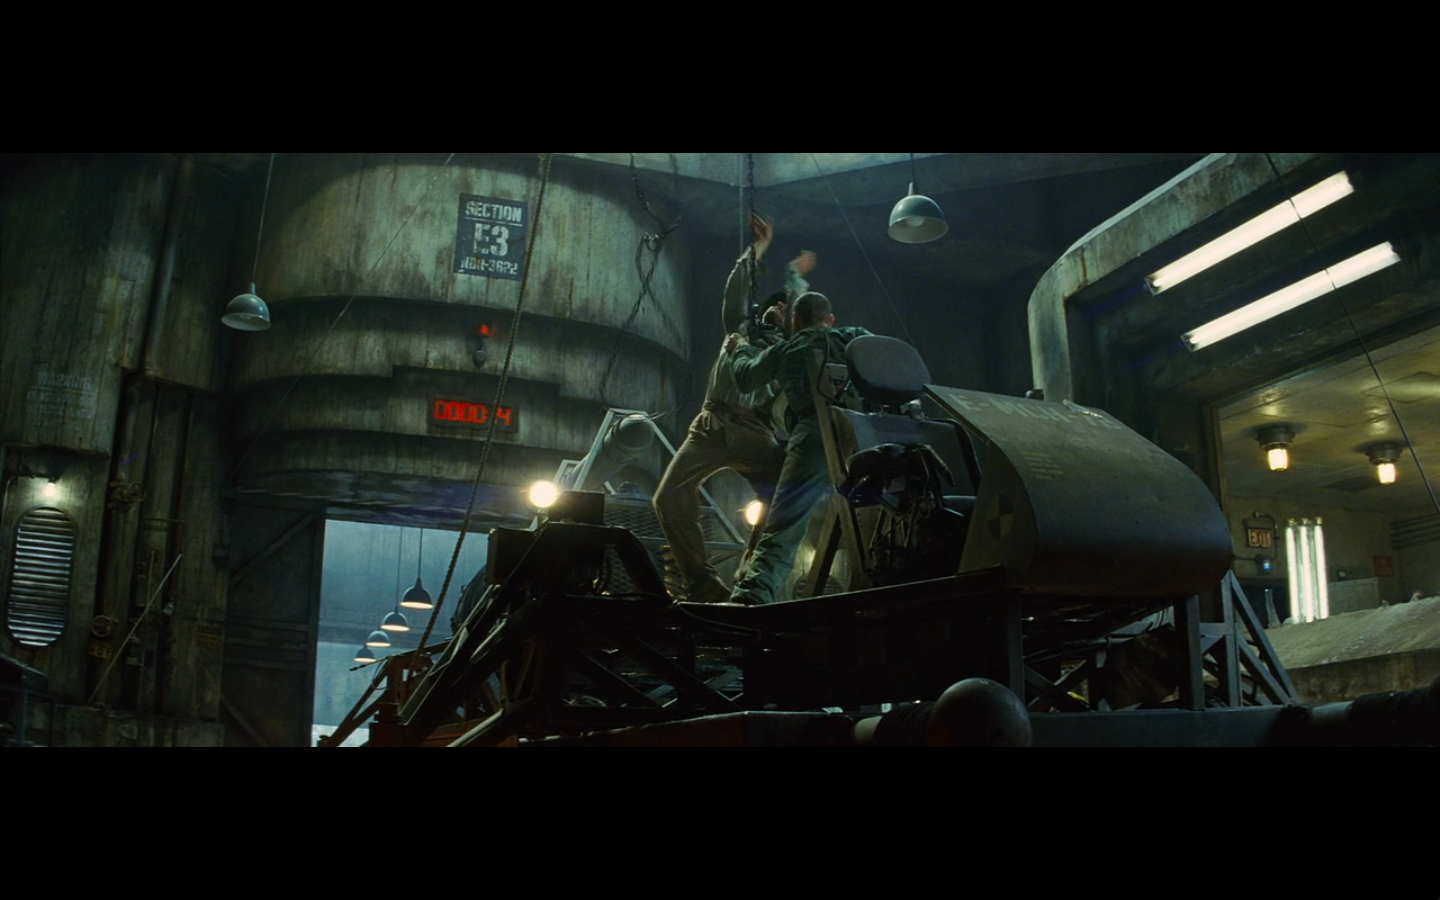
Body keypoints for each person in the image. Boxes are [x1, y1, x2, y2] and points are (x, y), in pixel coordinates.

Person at [652, 214, 815, 605]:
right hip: (712, 424)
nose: (777, 308)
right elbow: (736, 289)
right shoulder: (739, 330)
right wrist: (758, 249)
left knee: (786, 500)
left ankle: (750, 581)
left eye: (784, 309)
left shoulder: (787, 355)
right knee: (668, 497)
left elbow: (804, 324)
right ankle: (701, 581)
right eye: (773, 305)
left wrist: (795, 279)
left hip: (757, 434)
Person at [727, 291, 871, 605]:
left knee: (784, 527)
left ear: (795, 320)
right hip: (865, 432)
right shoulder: (855, 337)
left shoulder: (786, 349)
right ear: (830, 320)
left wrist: (741, 348)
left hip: (815, 435)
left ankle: (751, 598)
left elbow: (745, 378)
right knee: (877, 519)